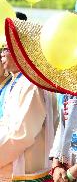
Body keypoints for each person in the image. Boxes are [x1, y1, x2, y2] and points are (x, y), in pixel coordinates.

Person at [0, 41, 58, 181]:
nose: (1, 54)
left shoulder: (31, 84)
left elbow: (22, 134)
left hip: (26, 173)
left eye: (5, 49)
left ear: (19, 51)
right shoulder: (20, 81)